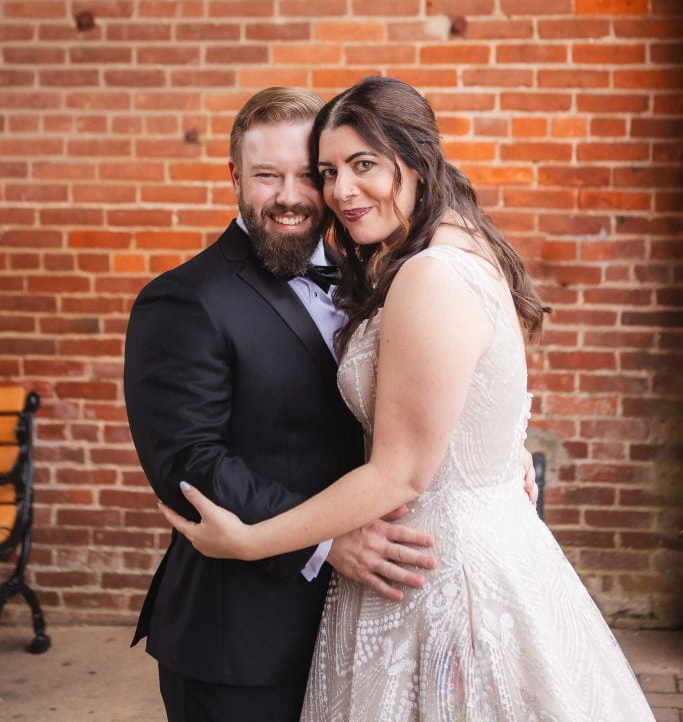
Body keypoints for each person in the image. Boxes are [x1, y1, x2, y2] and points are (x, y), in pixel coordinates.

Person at [161, 76, 655, 722]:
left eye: (362, 164)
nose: (340, 191)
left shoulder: (428, 275)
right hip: (439, 548)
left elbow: (400, 471)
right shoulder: (453, 248)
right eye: (330, 170)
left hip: (441, 574)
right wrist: (495, 474)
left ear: (417, 158)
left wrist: (250, 541)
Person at [123, 86, 445, 722]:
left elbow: (418, 395)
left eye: (309, 175)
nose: (293, 196)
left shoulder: (376, 275)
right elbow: (190, 462)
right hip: (241, 638)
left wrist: (491, 446)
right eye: (268, 175)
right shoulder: (183, 300)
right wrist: (326, 541)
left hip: (368, 628)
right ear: (235, 176)